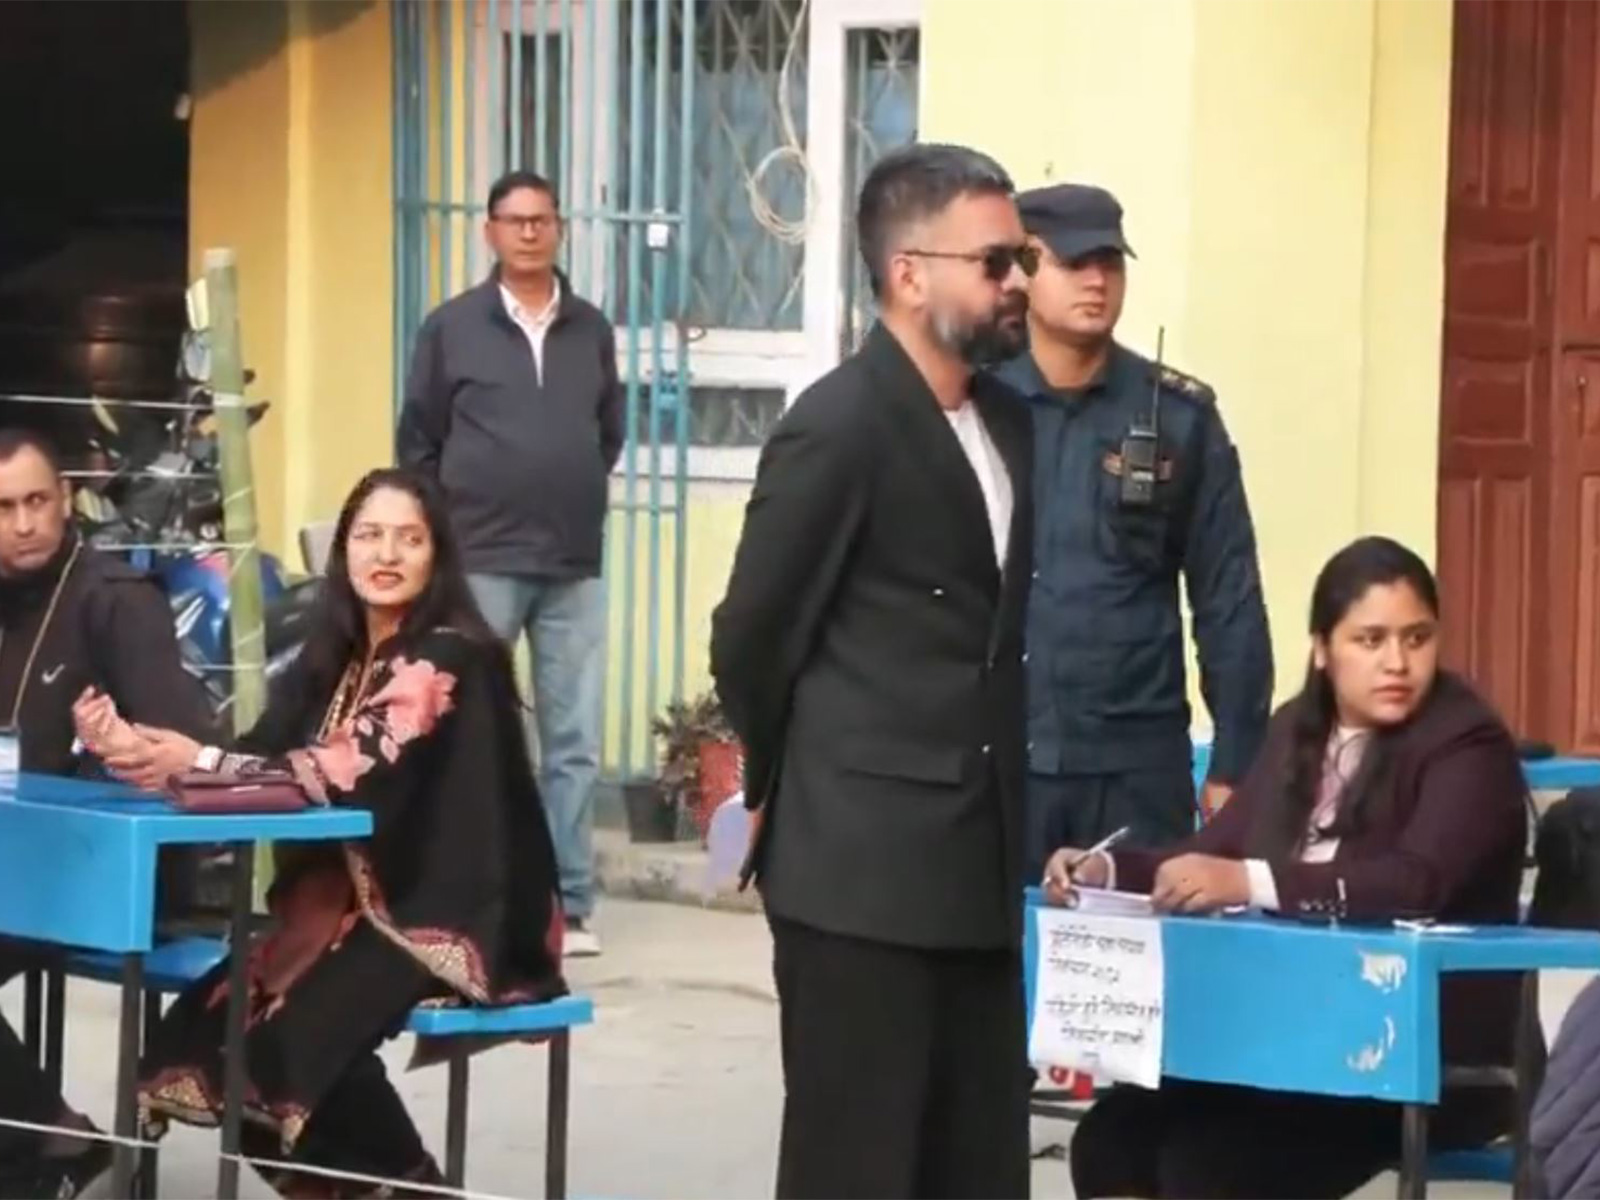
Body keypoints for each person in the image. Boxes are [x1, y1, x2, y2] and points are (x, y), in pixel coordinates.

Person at [77, 468, 567, 1197]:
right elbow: (260, 752)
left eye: (410, 538)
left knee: (293, 1042)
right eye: (370, 535)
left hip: (442, 906)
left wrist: (201, 762)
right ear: (342, 550)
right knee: (212, 1030)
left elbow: (345, 768)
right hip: (338, 909)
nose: (387, 554)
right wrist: (145, 755)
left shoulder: (447, 653)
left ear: (439, 555)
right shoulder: (333, 650)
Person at [712, 143, 1036, 1199]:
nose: (1019, 282)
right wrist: (789, 778)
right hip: (856, 874)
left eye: (1021, 257)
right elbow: (752, 634)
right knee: (858, 1165)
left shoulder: (1009, 422)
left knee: (975, 1163)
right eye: (995, 262)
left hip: (975, 861)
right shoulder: (838, 425)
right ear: (909, 273)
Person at [1048, 536, 1524, 1200]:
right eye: (1371, 639)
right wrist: (1103, 868)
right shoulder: (1297, 730)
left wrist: (1252, 882)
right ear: (1323, 650)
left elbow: (1417, 881)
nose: (1397, 662)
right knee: (1110, 1140)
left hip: (1416, 1058)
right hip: (1289, 1045)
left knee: (1207, 1167)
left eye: (1417, 638)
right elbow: (1213, 850)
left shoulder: (1465, 744)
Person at [993, 183, 1272, 876]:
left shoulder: (1181, 419)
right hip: (999, 754)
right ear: (1025, 269)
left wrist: (1237, 758)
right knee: (988, 970)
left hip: (1133, 767)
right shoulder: (978, 404)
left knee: (1130, 972)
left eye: (1111, 263)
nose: (1097, 280)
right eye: (1075, 262)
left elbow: (1228, 599)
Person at [396, 169, 622, 957]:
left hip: (570, 561)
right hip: (482, 559)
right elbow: (418, 439)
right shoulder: (452, 328)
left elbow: (608, 434)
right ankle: (470, 897)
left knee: (573, 742)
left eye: (543, 221)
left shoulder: (590, 330)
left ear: (559, 230)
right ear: (489, 232)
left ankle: (570, 904)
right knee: (476, 734)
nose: (530, 233)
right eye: (514, 221)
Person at [0, 426, 216, 1199]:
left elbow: (188, 750)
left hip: (110, 876)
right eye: (3, 508)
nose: (24, 524)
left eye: (37, 501)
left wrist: (120, 748)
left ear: (66, 501)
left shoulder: (116, 602)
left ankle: (58, 1140)